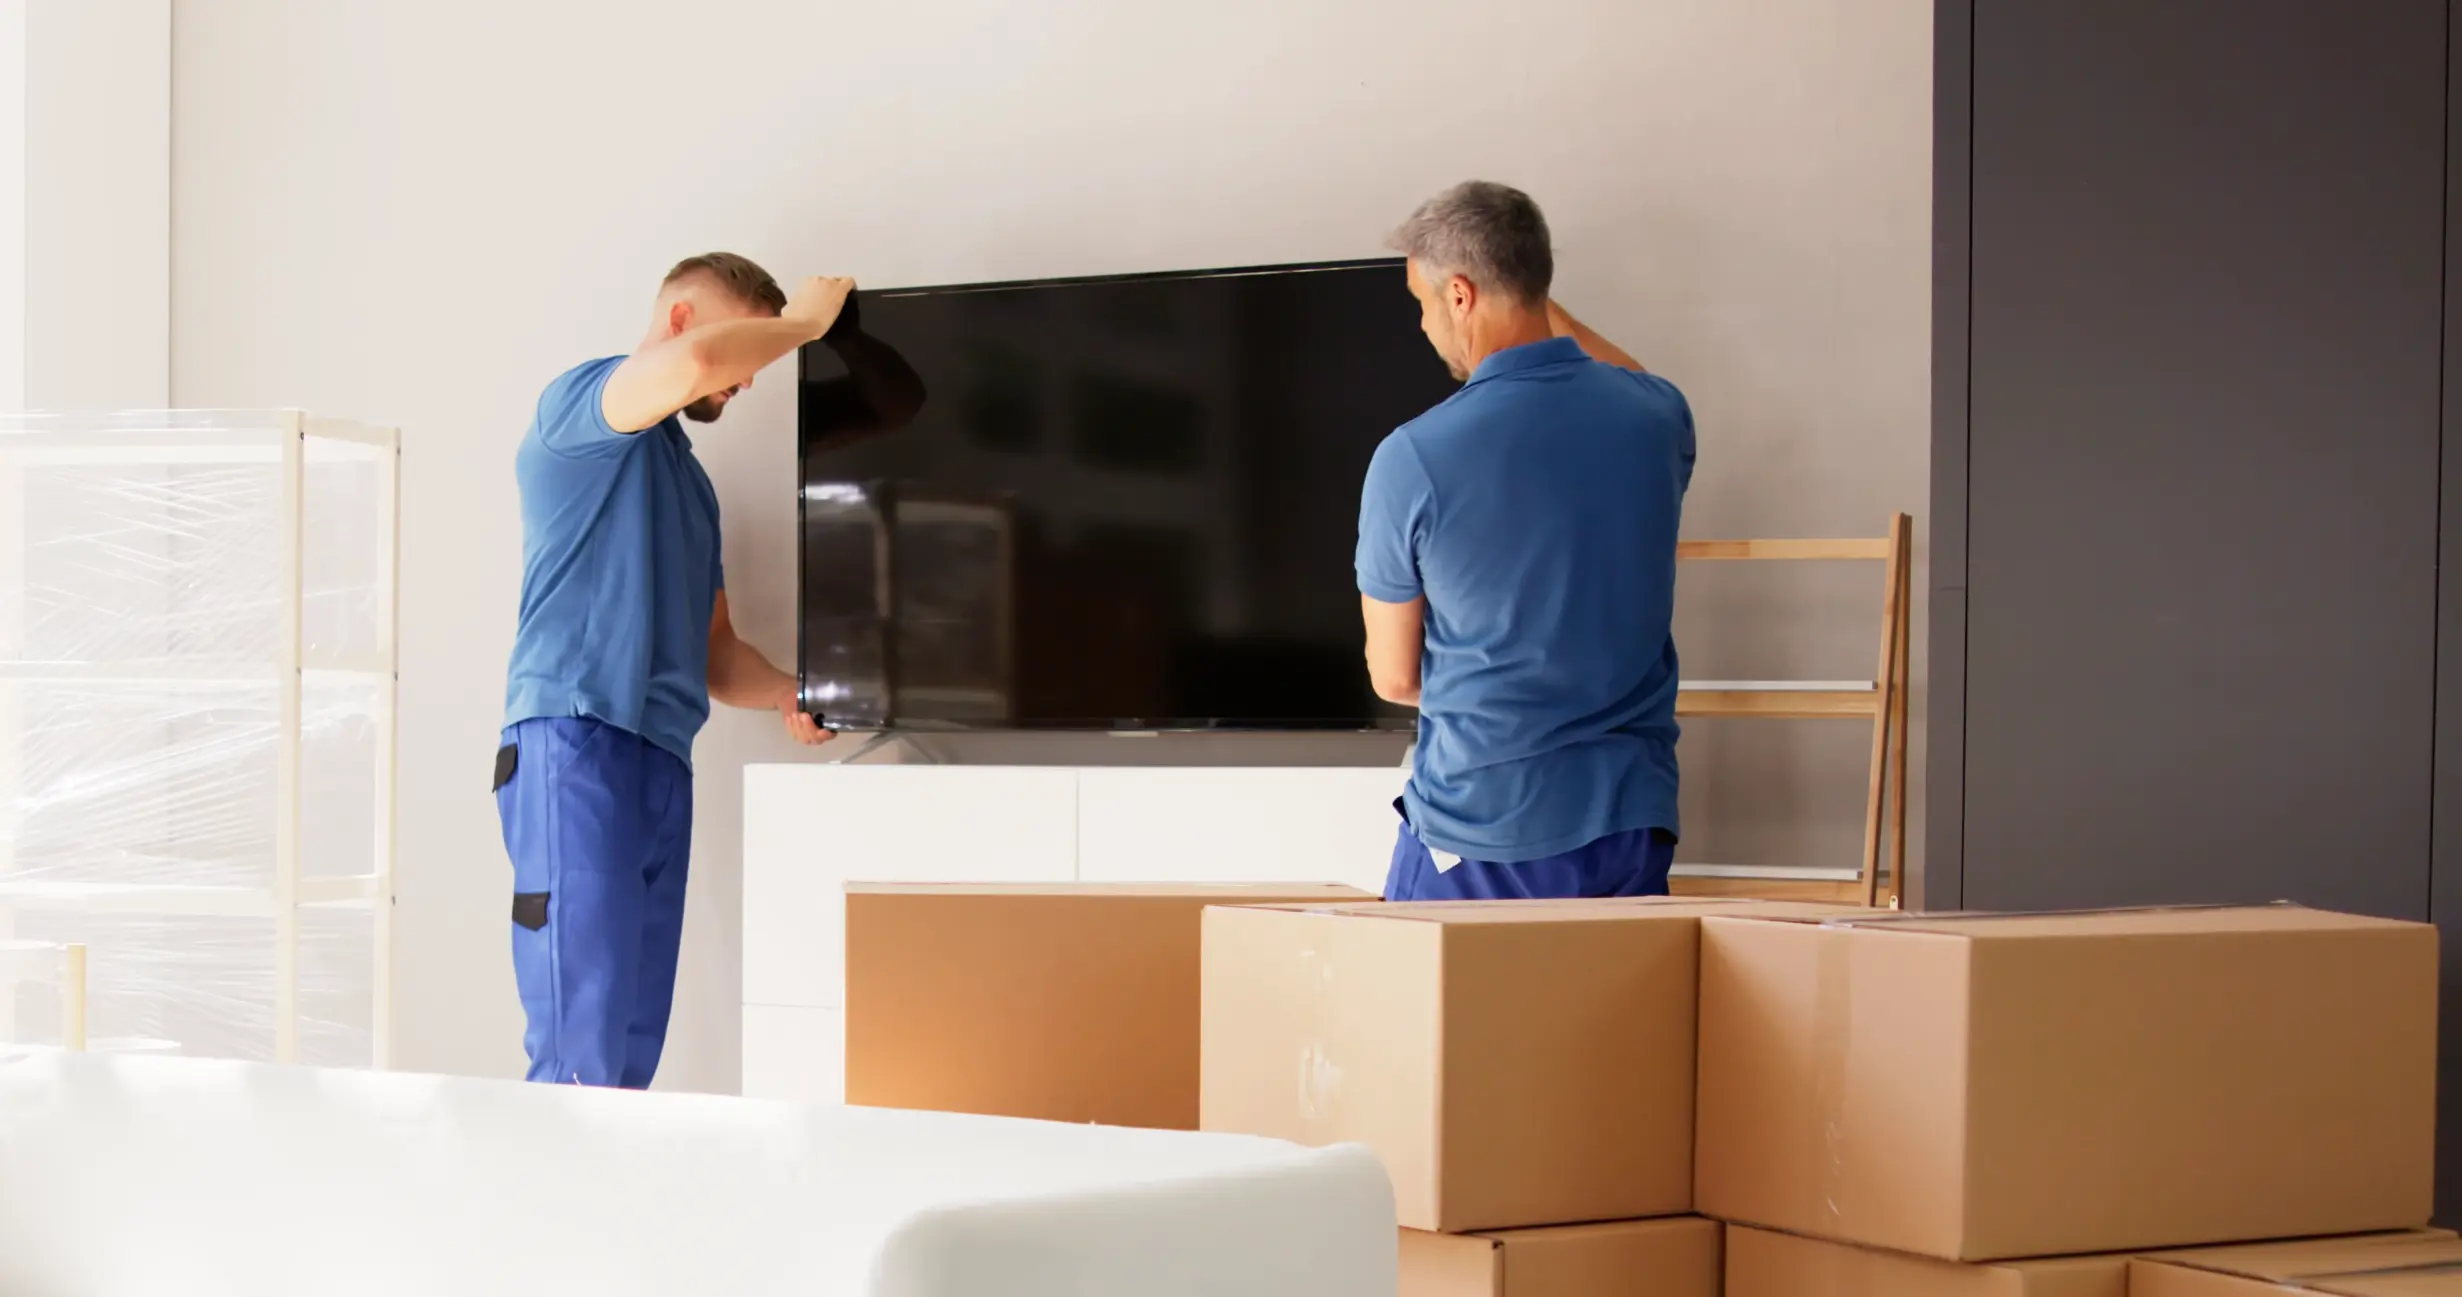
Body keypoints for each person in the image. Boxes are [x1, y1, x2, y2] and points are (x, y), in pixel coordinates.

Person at [494, 252, 922, 1087]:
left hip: (660, 762)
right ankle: (546, 1217)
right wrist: (797, 324)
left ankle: (608, 1217)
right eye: (747, 346)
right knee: (577, 1050)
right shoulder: (582, 407)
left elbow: (715, 653)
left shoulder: (690, 487)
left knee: (628, 1053)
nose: (752, 376)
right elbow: (691, 366)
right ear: (686, 318)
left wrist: (790, 690)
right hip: (574, 746)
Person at [1359, 182, 1696, 901]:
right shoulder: (1657, 419)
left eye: (1421, 302)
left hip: (1480, 830)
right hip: (1630, 825)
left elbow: (1394, 679)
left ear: (1459, 295)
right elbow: (1626, 373)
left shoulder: (1412, 456)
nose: (1422, 325)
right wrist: (1527, 287)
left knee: (1413, 1013)